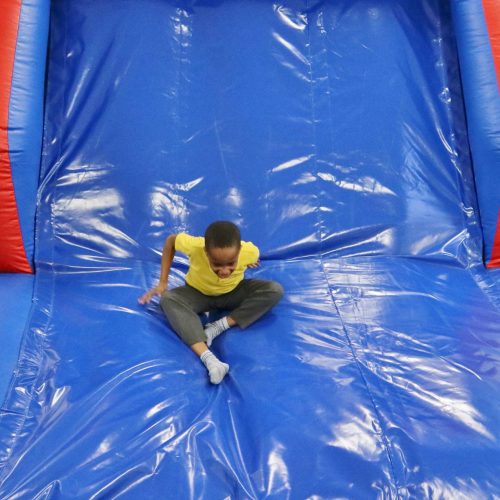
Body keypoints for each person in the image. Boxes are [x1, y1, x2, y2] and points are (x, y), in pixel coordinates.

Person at [139, 221, 284, 384]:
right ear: (206, 253)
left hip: (232, 293)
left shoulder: (249, 251)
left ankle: (218, 326)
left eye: (231, 263)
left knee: (274, 290)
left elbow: (252, 256)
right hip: (198, 293)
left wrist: (247, 260)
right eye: (217, 264)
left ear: (239, 253)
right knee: (168, 299)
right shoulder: (195, 246)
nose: (224, 271)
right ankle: (211, 361)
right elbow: (171, 241)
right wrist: (163, 282)